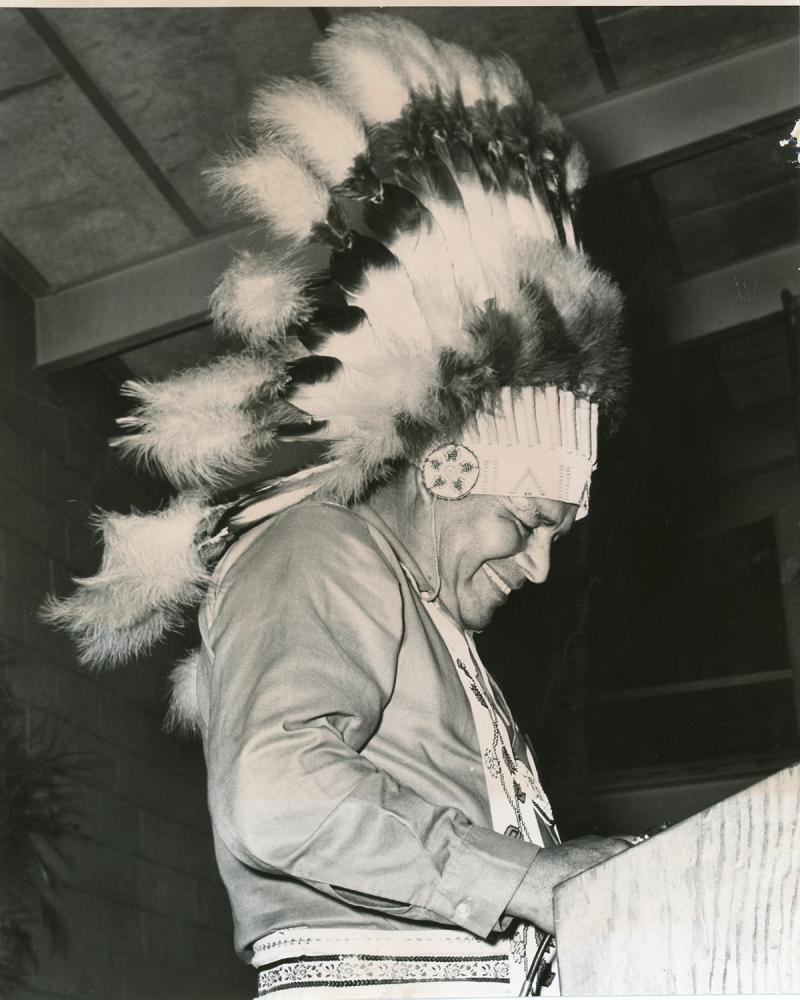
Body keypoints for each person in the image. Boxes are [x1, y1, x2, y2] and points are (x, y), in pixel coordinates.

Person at [47, 13, 631, 998]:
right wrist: (530, 875)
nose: (536, 563)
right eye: (528, 520)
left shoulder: (431, 625)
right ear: (446, 469)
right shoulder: (321, 546)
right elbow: (275, 793)